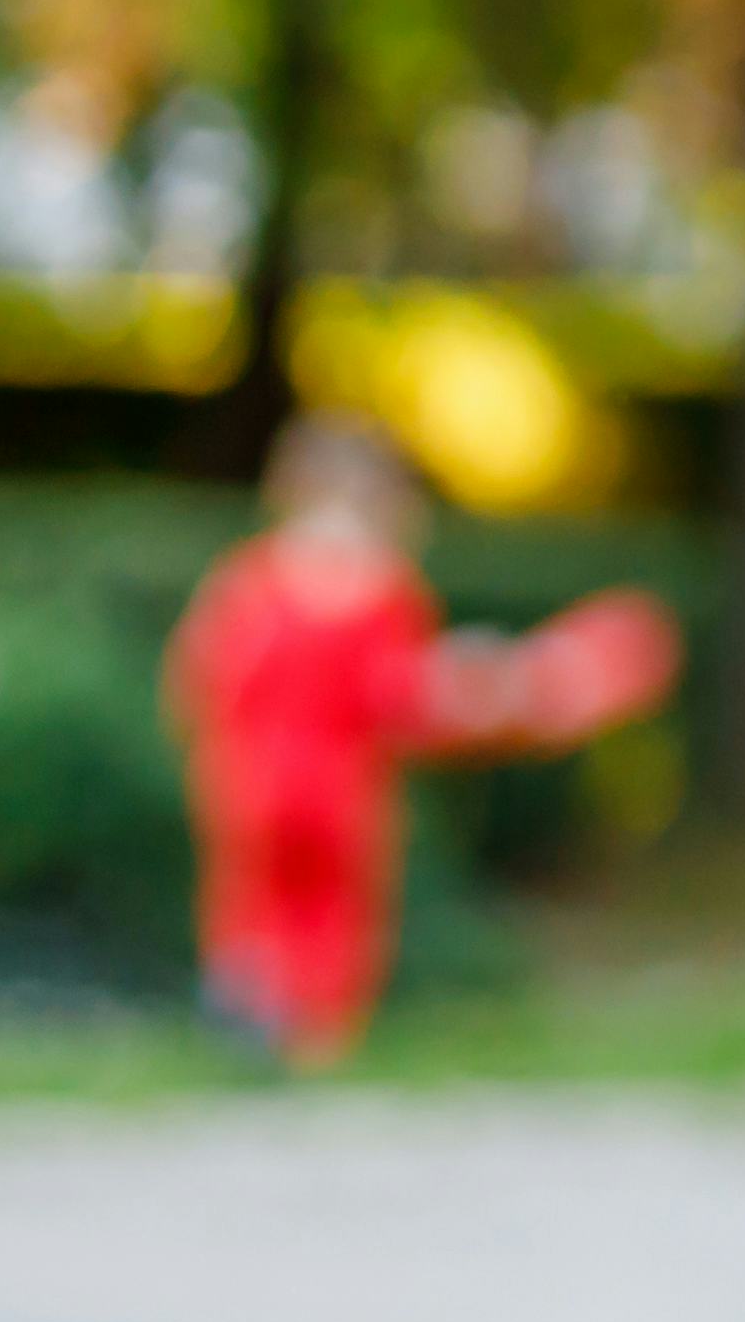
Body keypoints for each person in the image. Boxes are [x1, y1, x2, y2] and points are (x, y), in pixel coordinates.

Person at [161, 410, 678, 1070]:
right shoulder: (382, 589)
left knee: (251, 903)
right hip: (339, 787)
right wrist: (501, 691)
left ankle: (247, 1003)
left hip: (249, 779)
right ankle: (313, 1040)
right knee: (332, 913)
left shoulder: (249, 578)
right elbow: (405, 702)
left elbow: (199, 677)